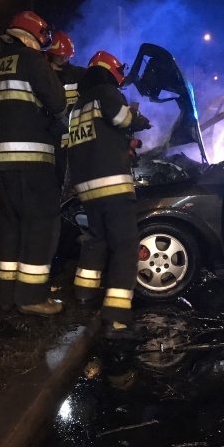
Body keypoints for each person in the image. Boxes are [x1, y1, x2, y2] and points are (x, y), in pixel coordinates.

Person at [0, 11, 67, 316]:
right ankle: (31, 297)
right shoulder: (32, 60)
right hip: (32, 159)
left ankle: (5, 296)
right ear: (31, 36)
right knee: (42, 223)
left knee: (11, 227)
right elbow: (57, 103)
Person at [66, 51, 152, 339]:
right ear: (112, 71)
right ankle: (116, 318)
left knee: (97, 240)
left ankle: (83, 296)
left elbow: (97, 139)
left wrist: (126, 144)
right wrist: (139, 118)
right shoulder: (107, 92)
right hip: (113, 186)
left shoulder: (78, 106)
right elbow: (121, 117)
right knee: (125, 247)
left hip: (87, 188)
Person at [45, 30, 86, 189]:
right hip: (48, 133)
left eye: (66, 56)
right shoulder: (42, 74)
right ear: (50, 54)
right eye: (59, 55)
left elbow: (95, 78)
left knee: (65, 176)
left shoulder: (76, 74)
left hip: (69, 134)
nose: (63, 59)